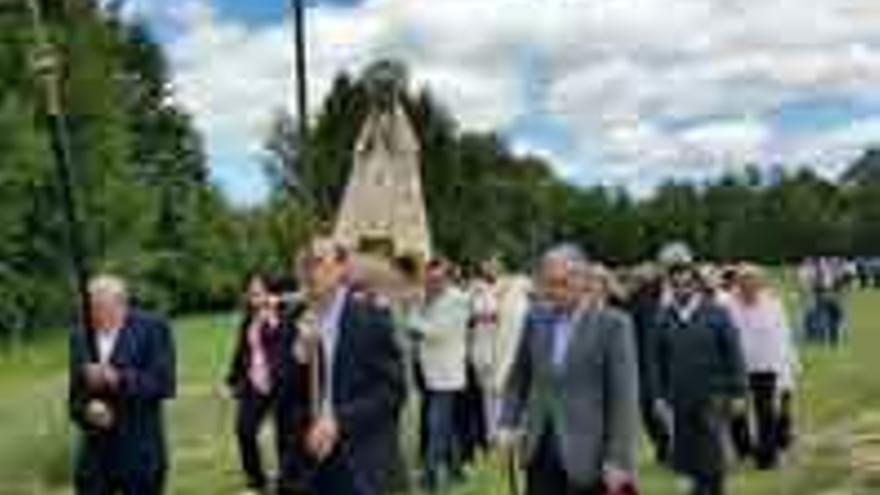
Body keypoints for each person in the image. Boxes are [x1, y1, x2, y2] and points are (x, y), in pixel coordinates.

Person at [499, 245, 639, 495]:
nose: (553, 291)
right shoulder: (535, 318)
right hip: (538, 450)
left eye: (562, 283)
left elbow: (623, 399)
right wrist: (507, 421)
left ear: (583, 279)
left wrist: (619, 459)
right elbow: (518, 378)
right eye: (548, 283)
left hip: (588, 456)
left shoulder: (614, 325)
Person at [281, 238, 407, 495]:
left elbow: (392, 392)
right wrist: (299, 356)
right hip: (310, 465)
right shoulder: (295, 320)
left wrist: (339, 421)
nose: (309, 271)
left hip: (360, 462)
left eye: (317, 262)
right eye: (305, 264)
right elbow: (283, 396)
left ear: (341, 269)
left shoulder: (370, 319)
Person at [69, 275, 176, 495]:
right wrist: (87, 411)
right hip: (95, 456)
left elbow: (164, 384)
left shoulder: (152, 328)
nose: (94, 315)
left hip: (139, 451)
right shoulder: (79, 336)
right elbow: (75, 398)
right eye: (90, 307)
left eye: (101, 307)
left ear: (121, 303)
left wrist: (118, 378)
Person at [648, 263, 747, 495]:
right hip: (680, 397)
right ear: (670, 287)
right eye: (676, 285)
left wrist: (739, 392)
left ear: (696, 285)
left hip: (714, 395)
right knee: (689, 456)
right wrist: (658, 397)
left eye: (687, 284)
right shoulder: (663, 317)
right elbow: (656, 362)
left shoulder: (717, 313)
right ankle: (700, 488)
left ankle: (711, 489)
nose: (682, 289)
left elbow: (734, 354)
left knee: (711, 452)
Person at [406, 258, 471, 490]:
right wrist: (417, 310)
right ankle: (457, 471)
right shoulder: (426, 298)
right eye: (429, 279)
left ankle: (429, 475)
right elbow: (419, 327)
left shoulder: (458, 300)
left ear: (446, 277)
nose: (432, 283)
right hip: (428, 370)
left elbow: (437, 332)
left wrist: (413, 319)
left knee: (436, 423)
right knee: (447, 424)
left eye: (437, 279)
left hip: (448, 373)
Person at [726, 265, 798, 469]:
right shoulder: (728, 306)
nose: (748, 287)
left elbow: (783, 336)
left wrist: (787, 365)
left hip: (765, 365)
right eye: (743, 283)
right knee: (737, 412)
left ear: (760, 284)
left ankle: (766, 456)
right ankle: (743, 449)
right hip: (737, 366)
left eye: (752, 282)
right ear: (738, 285)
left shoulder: (773, 305)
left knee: (765, 411)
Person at [224, 273, 288, 493]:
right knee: (244, 429)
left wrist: (272, 321)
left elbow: (285, 346)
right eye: (251, 293)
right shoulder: (248, 318)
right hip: (254, 383)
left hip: (282, 384)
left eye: (259, 292)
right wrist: (232, 379)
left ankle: (285, 480)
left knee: (285, 434)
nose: (254, 297)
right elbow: (242, 351)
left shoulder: (285, 313)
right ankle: (256, 481)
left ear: (271, 292)